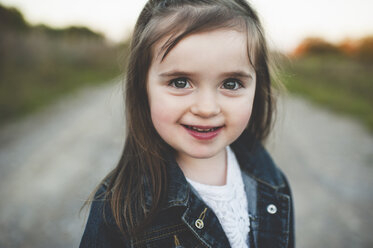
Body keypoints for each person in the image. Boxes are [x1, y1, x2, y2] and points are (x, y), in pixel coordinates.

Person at [79, 0, 294, 247]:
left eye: (231, 83)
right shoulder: (118, 207)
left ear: (258, 87)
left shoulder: (272, 182)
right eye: (180, 82)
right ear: (143, 87)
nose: (206, 109)